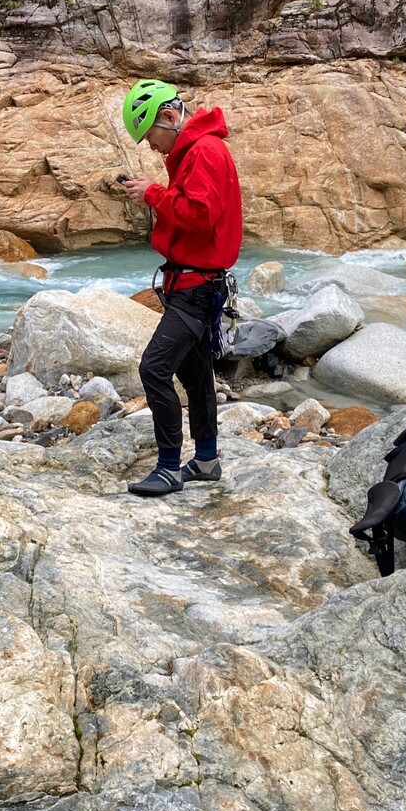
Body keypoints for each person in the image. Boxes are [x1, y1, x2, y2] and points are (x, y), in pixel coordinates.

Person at [119, 78, 243, 498]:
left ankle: (170, 467)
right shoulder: (198, 149)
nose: (151, 147)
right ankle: (206, 460)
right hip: (193, 283)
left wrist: (154, 194)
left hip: (195, 288)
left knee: (154, 368)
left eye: (150, 136)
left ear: (169, 118)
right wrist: (155, 192)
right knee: (195, 373)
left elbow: (200, 215)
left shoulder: (205, 151)